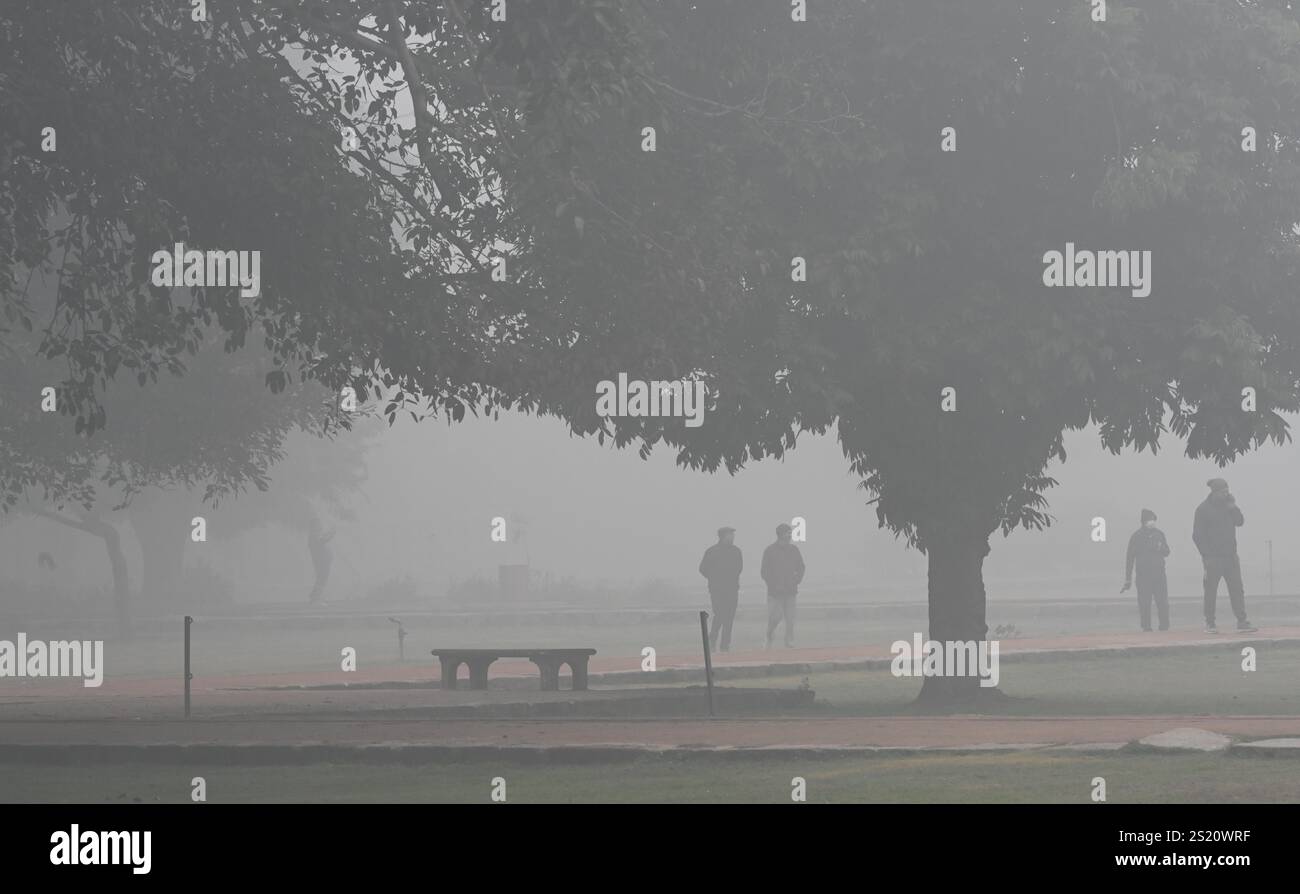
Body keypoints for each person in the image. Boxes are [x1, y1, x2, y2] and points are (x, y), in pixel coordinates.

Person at [1192, 478, 1256, 634]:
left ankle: (1242, 621)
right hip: (1213, 559)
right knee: (1210, 591)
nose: (1226, 494)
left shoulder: (1229, 506)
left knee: (1237, 589)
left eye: (1227, 491)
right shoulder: (1202, 509)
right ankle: (1210, 623)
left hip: (1231, 557)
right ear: (1214, 492)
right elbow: (1197, 536)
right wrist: (1207, 556)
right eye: (1223, 492)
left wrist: (1233, 507)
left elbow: (1240, 522)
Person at [1121, 508, 1170, 631]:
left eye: (1153, 519)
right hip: (1143, 576)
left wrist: (1160, 548)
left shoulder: (1159, 534)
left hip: (1159, 575)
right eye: (1149, 520)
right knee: (1144, 603)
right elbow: (1130, 559)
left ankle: (1164, 626)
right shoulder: (1136, 537)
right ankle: (1146, 627)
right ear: (1143, 522)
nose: (1152, 522)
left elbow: (1167, 551)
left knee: (1162, 601)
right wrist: (1128, 579)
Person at [698, 526, 743, 652]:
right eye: (730, 534)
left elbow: (739, 568)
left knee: (730, 617)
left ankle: (725, 644)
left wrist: (731, 578)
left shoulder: (736, 551)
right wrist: (714, 578)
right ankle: (713, 638)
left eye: (733, 535)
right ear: (723, 536)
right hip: (717, 589)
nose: (732, 537)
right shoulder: (711, 551)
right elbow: (702, 568)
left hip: (732, 589)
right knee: (720, 614)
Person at [761, 523, 805, 648]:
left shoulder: (794, 550)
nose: (790, 535)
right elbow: (764, 571)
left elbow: (801, 567)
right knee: (775, 617)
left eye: (790, 533)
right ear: (780, 534)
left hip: (790, 591)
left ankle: (789, 641)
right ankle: (769, 635)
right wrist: (773, 585)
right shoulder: (769, 551)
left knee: (790, 619)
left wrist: (796, 580)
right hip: (775, 593)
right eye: (787, 532)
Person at [307, 516, 335, 604]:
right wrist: (331, 535)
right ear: (314, 526)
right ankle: (316, 598)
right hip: (320, 562)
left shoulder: (315, 535)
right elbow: (322, 541)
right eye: (318, 525)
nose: (320, 526)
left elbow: (323, 538)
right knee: (322, 578)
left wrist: (330, 533)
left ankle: (315, 596)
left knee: (322, 579)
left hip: (323, 562)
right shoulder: (313, 536)